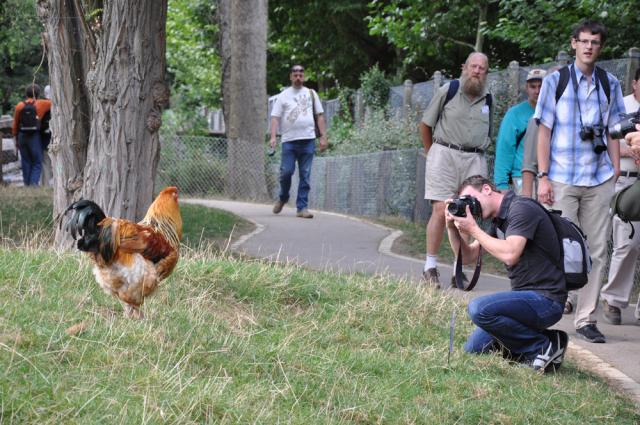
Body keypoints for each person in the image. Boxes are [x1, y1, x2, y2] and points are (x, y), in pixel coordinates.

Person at [534, 20, 625, 343]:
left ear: (601, 47)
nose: (589, 47)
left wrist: (615, 170)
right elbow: (543, 131)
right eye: (584, 41)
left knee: (598, 250)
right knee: (562, 247)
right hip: (562, 176)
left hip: (598, 177)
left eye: (595, 42)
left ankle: (586, 318)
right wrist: (543, 176)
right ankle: (552, 309)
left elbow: (615, 130)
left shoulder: (609, 82)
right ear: (574, 44)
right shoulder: (555, 81)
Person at [446, 175, 568, 372]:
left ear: (486, 189)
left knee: (479, 308)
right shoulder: (499, 221)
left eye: (470, 199)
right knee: (474, 349)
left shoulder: (521, 209)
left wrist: (474, 229)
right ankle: (549, 341)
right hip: (524, 300)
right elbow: (467, 257)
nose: (469, 207)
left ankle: (542, 346)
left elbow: (511, 254)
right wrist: (451, 227)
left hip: (546, 300)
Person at [418, 52, 492, 288]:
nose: (477, 71)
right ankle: (430, 266)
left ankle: (457, 269)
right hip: (444, 154)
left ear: (486, 72)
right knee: (441, 209)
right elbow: (426, 124)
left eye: (482, 68)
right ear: (464, 67)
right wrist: (432, 153)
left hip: (474, 158)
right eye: (473, 66)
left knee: (467, 212)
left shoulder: (488, 98)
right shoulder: (448, 90)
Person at [600, 67, 640, 325]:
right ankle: (613, 300)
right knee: (626, 245)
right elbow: (607, 139)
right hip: (626, 183)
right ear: (635, 83)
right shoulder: (621, 106)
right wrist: (630, 150)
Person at [270, 65, 328, 219]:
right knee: (286, 172)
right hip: (289, 141)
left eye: (300, 74)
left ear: (304, 76)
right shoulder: (283, 96)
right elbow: (275, 117)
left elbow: (320, 116)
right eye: (295, 74)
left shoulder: (311, 93)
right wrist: (273, 136)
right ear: (290, 77)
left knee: (305, 174)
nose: (298, 77)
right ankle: (283, 197)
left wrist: (323, 136)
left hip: (308, 140)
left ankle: (302, 208)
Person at [493, 69, 546, 193]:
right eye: (533, 87)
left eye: (541, 86)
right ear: (526, 88)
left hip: (550, 175)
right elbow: (504, 148)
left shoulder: (556, 111)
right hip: (521, 175)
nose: (537, 91)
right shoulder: (515, 114)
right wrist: (501, 184)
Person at [11, 84, 52, 186]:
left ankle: (27, 184)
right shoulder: (42, 104)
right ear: (38, 94)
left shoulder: (19, 106)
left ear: (26, 93)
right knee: (37, 161)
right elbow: (54, 103)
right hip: (34, 136)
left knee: (25, 161)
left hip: (21, 136)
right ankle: (33, 185)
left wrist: (15, 138)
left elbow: (15, 124)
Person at [40, 84, 53, 186]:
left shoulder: (42, 107)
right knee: (58, 164)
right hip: (54, 141)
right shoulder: (57, 107)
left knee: (46, 163)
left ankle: (46, 184)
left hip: (45, 141)